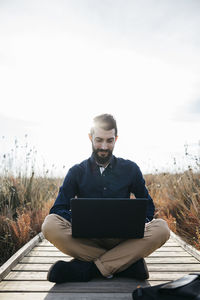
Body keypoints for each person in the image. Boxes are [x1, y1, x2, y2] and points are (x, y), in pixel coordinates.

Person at [42, 113, 170, 284]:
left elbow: (148, 206)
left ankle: (90, 269)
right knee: (49, 225)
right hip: (86, 239)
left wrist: (139, 223)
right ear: (90, 138)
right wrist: (79, 221)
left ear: (116, 139)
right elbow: (58, 209)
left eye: (109, 141)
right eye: (99, 140)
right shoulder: (76, 171)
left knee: (162, 228)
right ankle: (126, 264)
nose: (104, 146)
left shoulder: (131, 169)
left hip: (123, 238)